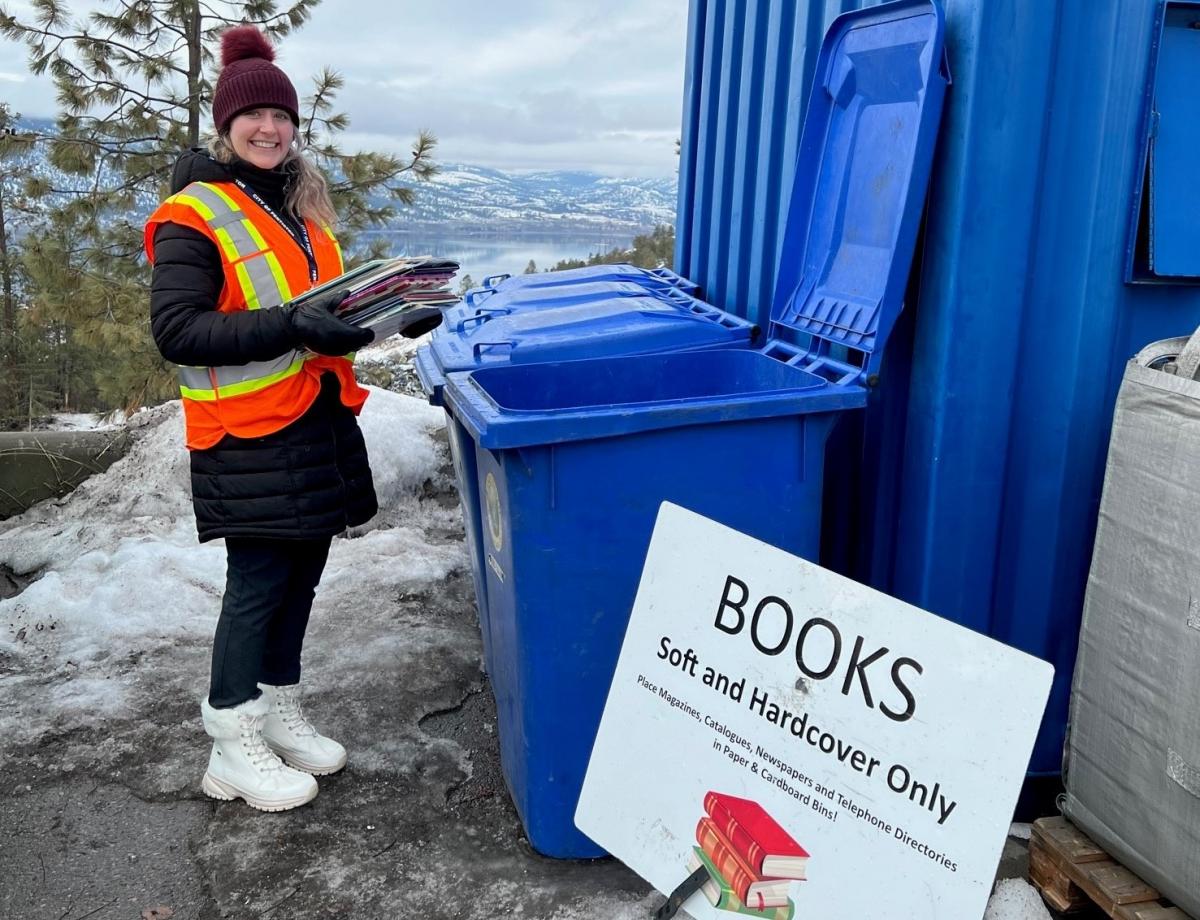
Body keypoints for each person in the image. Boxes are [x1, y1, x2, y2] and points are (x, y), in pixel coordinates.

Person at [144, 24, 377, 812]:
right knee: (259, 579)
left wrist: (387, 317)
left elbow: (320, 310)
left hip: (313, 423)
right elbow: (179, 331)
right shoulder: (195, 213)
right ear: (225, 125)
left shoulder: (299, 209)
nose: (270, 128)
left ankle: (277, 709)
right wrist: (294, 325)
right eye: (254, 117)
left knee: (302, 576)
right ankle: (230, 740)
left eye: (281, 116)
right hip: (245, 434)